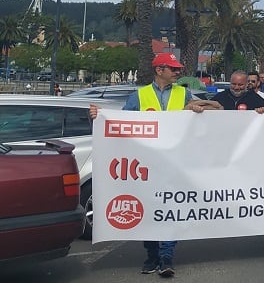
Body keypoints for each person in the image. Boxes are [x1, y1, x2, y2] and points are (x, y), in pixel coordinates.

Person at [88, 53, 221, 278]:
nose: (178, 72)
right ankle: (151, 254)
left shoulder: (183, 93)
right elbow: (122, 124)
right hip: (146, 164)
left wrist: (199, 108)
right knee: (149, 210)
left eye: (178, 69)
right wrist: (98, 117)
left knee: (171, 209)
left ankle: (167, 255)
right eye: (173, 69)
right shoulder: (139, 95)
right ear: (159, 70)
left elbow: (215, 109)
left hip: (175, 162)